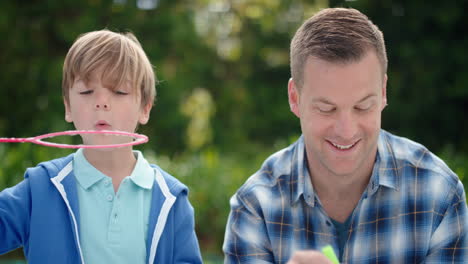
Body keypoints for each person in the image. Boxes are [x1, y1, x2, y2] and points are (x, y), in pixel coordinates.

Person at [223, 7, 468, 263]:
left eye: (363, 106)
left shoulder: (439, 193)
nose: (346, 131)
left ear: (383, 92)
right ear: (295, 98)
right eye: (326, 109)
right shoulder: (255, 206)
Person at [0, 29, 202, 264]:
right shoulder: (39, 189)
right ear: (68, 106)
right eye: (87, 91)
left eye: (119, 91)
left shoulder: (172, 199)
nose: (101, 102)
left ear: (145, 108)